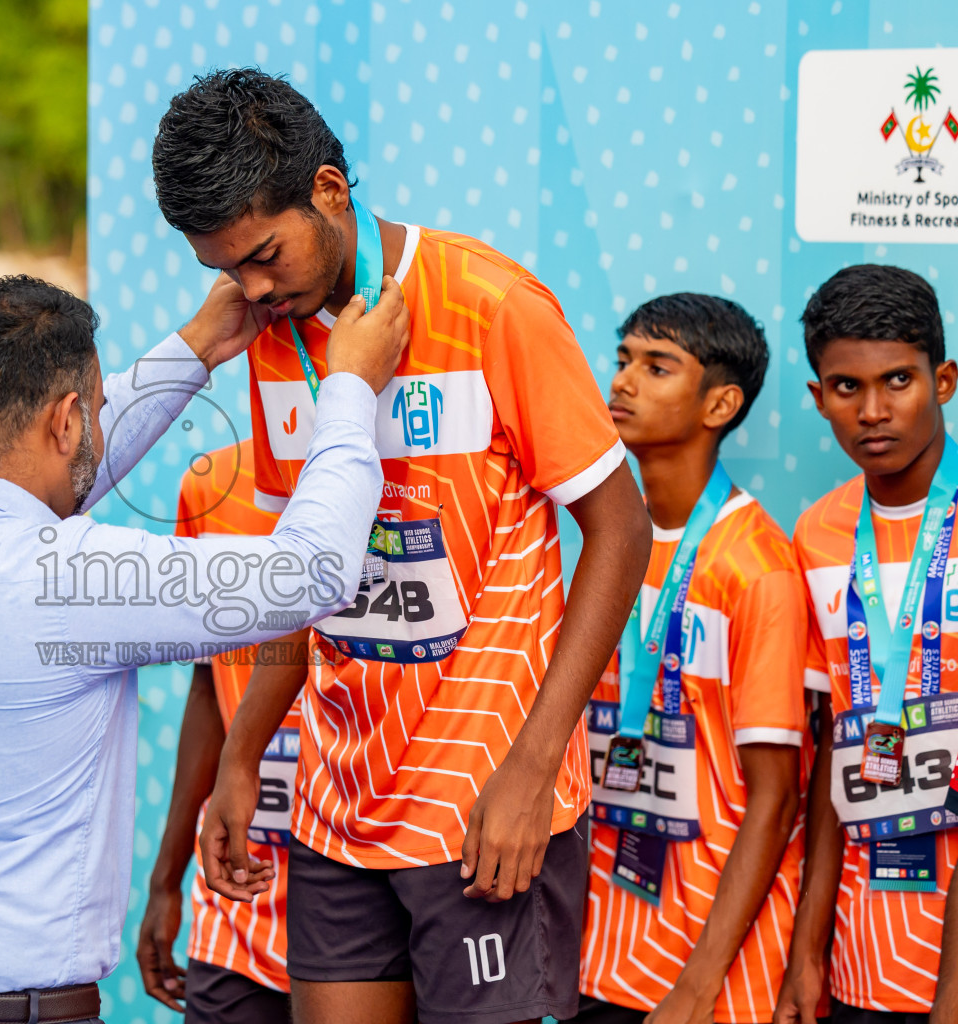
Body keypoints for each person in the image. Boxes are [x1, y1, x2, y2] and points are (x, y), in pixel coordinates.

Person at [154, 69, 651, 1024]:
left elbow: (620, 532)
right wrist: (243, 753)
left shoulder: (491, 302)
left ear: (330, 192)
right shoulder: (272, 336)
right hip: (335, 806)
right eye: (230, 271)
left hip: (485, 803)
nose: (255, 288)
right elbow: (298, 581)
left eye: (266, 253)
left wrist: (535, 765)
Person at [0, 272, 410, 1024]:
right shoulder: (70, 581)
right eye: (89, 410)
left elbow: (40, 478)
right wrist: (349, 393)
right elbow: (306, 575)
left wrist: (196, 349)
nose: (94, 422)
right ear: (66, 421)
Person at [570, 295, 808, 1024]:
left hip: (707, 977)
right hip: (599, 952)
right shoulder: (604, 549)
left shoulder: (756, 566)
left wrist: (698, 988)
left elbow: (777, 798)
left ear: (720, 404)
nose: (623, 383)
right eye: (622, 360)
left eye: (657, 366)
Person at [778, 265, 958, 1024]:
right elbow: (834, 746)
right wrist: (810, 949)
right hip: (866, 950)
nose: (874, 412)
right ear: (818, 397)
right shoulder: (818, 533)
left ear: (943, 380)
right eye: (847, 388)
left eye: (898, 381)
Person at [137, 438, 299, 1023]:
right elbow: (210, 683)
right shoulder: (214, 483)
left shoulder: (416, 478)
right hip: (237, 913)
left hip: (371, 908)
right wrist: (166, 880)